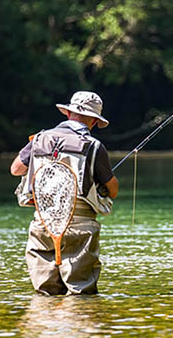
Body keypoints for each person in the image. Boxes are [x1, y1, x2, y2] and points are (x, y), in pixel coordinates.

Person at [10, 91, 119, 295]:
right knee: (81, 292)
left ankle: (47, 325)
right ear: (94, 121)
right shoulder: (94, 146)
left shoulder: (39, 139)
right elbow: (112, 190)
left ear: (69, 114)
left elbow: (15, 169)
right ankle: (79, 323)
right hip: (80, 225)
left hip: (43, 223)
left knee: (45, 294)